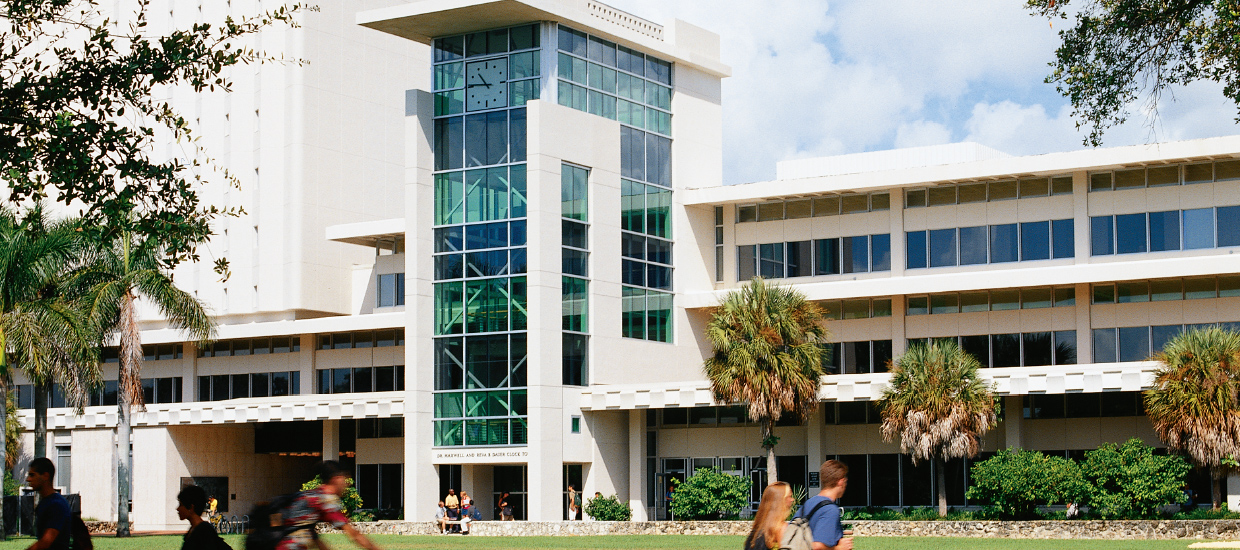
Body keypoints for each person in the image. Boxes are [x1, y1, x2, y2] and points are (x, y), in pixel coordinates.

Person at [276, 461, 382, 550]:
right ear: (336, 479)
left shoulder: (311, 495)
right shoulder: (326, 499)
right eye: (344, 480)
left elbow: (312, 536)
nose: (347, 484)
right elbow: (354, 535)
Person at [798, 460, 852, 550]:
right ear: (841, 482)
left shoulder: (809, 503)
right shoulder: (830, 510)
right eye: (845, 481)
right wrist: (839, 548)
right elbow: (817, 546)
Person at [26, 457, 69, 550]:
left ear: (45, 476)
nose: (28, 479)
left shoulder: (56, 505)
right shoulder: (45, 502)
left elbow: (46, 542)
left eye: (32, 475)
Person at [744, 482, 794, 550]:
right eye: (789, 496)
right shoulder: (781, 528)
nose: (792, 500)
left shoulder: (757, 531)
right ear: (780, 501)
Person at [177, 484, 225, 550]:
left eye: (181, 505)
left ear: (191, 507)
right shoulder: (194, 529)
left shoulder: (204, 531)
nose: (177, 508)